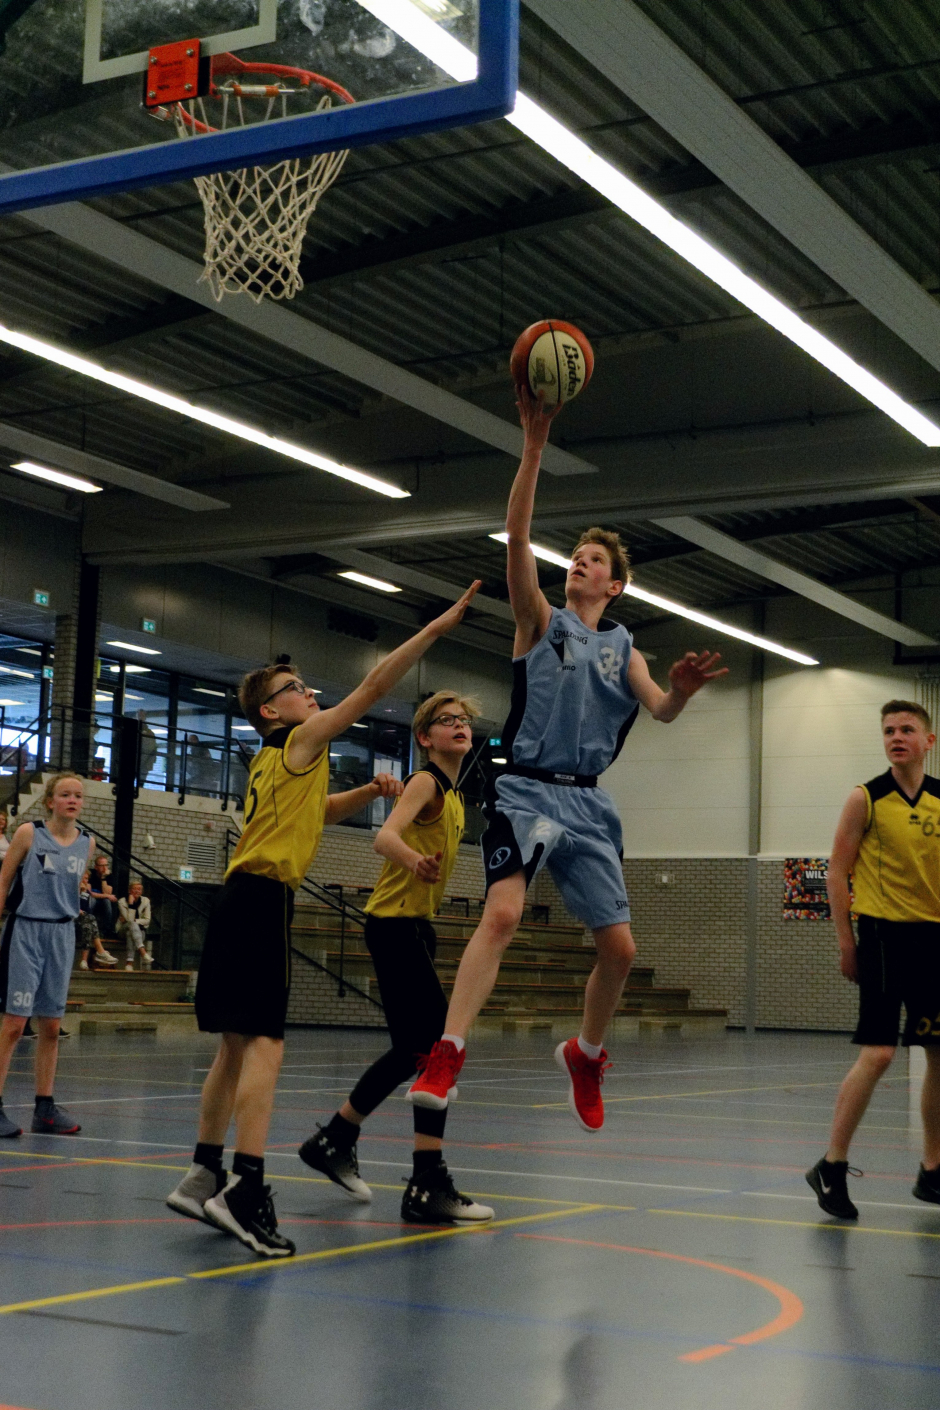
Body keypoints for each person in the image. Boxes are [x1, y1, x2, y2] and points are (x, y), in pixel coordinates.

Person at [408, 387, 725, 1136]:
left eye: (592, 561)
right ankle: (447, 1052)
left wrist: (678, 692)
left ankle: (586, 1053)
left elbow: (661, 710)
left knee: (620, 948)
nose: (576, 565)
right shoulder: (537, 621)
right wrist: (534, 447)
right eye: (575, 557)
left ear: (615, 584)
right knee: (506, 913)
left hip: (588, 802)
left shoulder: (625, 649)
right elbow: (517, 540)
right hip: (522, 789)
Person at [166, 583, 480, 1258]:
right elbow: (372, 687)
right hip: (262, 903)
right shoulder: (299, 736)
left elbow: (312, 816)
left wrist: (366, 792)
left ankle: (203, 1170)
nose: (308, 692)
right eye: (296, 686)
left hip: (234, 899)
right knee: (267, 1046)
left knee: (231, 1046)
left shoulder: (274, 761)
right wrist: (435, 629)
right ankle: (246, 1189)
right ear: (268, 708)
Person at [299, 690, 494, 1226]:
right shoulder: (426, 783)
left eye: (463, 720)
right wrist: (415, 861)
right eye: (445, 721)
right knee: (436, 1051)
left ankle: (335, 1138)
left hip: (415, 930)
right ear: (424, 737)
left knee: (417, 1051)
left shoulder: (455, 796)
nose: (458, 726)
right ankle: (426, 1182)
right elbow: (384, 837)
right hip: (393, 926)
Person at [807, 699, 940, 1219]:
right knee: (880, 1053)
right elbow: (837, 871)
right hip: (882, 938)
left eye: (907, 729)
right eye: (888, 730)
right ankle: (831, 1165)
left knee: (938, 1053)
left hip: (933, 941)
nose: (896, 737)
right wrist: (847, 942)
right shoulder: (865, 799)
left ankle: (932, 1171)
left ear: (929, 741)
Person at [0, 772, 92, 1138]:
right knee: (13, 1025)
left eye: (78, 795)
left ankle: (45, 1107)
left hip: (62, 934)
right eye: (65, 794)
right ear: (50, 800)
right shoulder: (28, 833)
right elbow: (4, 879)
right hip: (25, 930)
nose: (72, 800)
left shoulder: (87, 843)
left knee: (51, 1026)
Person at [77, 870, 118, 969]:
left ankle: (84, 961)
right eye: (83, 878)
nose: (85, 880)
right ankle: (100, 952)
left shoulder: (86, 888)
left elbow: (94, 895)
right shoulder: (73, 889)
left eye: (86, 878)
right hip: (73, 918)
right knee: (90, 919)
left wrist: (108, 895)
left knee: (88, 925)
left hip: (85, 918)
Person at [118, 880, 152, 970]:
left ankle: (129, 964)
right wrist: (131, 905)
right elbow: (129, 920)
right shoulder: (121, 901)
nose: (137, 891)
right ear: (129, 891)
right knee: (131, 925)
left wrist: (135, 921)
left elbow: (147, 920)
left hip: (140, 932)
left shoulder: (145, 901)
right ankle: (143, 951)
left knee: (131, 932)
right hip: (122, 930)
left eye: (139, 889)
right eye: (134, 889)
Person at [88, 854, 116, 938]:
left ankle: (106, 930)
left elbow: (107, 892)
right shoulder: (91, 874)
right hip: (92, 899)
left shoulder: (109, 876)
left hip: (102, 901)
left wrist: (103, 878)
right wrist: (107, 896)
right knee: (91, 900)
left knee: (107, 902)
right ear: (96, 867)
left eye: (106, 865)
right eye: (102, 866)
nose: (105, 868)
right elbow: (90, 893)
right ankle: (88, 926)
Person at [137, 711, 158, 787]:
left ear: (145, 717)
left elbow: (153, 747)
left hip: (145, 763)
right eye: (139, 715)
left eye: (142, 715)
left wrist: (151, 760)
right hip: (134, 761)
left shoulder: (150, 733)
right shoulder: (132, 729)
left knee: (141, 784)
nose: (140, 717)